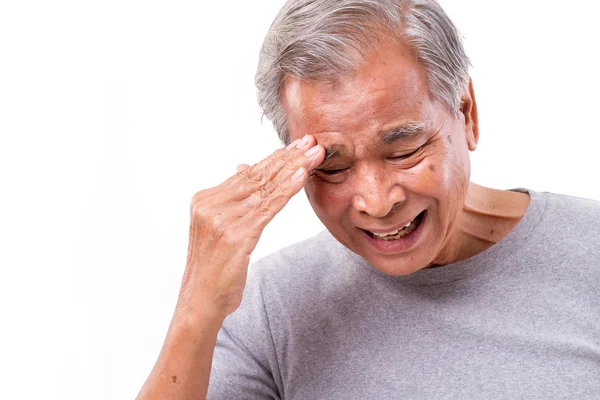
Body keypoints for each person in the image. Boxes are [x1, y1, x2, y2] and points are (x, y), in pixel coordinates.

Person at [137, 0, 600, 398]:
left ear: (466, 113)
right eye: (332, 167)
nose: (376, 202)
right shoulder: (270, 307)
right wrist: (196, 310)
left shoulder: (590, 250)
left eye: (403, 151)